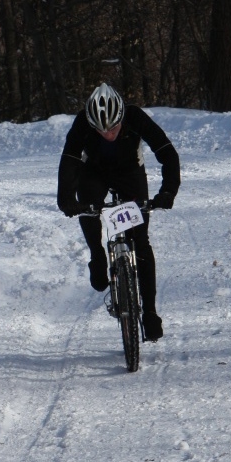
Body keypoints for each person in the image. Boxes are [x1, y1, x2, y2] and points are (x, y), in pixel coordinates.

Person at [57, 83, 181, 341]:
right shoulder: (83, 123)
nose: (108, 133)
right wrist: (66, 199)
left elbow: (167, 153)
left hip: (129, 173)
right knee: (88, 204)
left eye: (113, 128)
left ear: (122, 118)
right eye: (101, 129)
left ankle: (149, 313)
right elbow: (69, 160)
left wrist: (168, 191)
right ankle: (98, 256)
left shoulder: (135, 117)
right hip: (94, 173)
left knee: (140, 239)